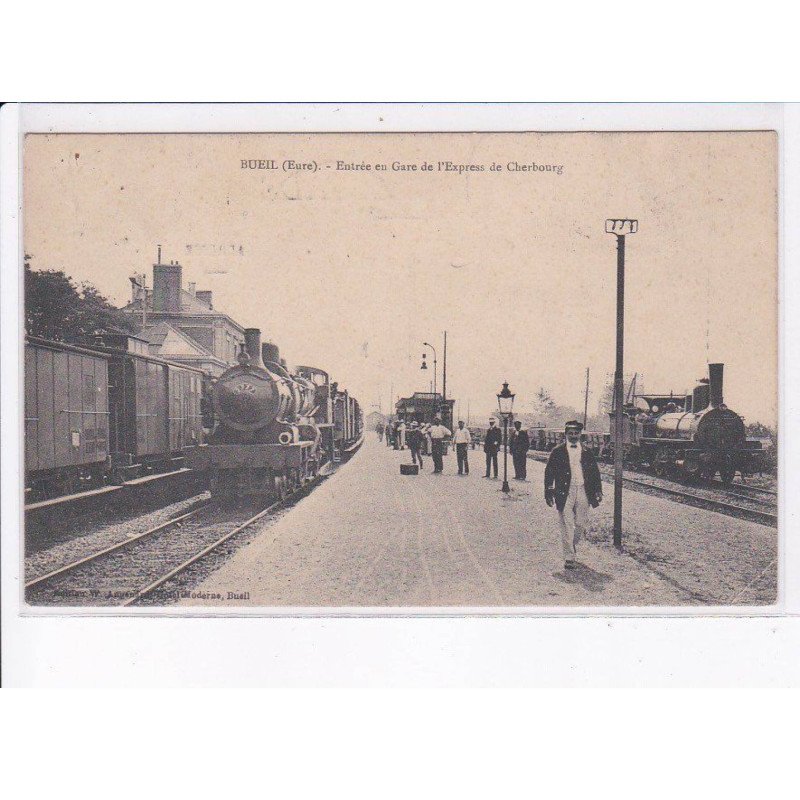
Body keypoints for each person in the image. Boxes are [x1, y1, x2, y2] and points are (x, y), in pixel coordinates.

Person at [544, 420, 603, 569]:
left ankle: (572, 545)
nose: (574, 436)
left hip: (583, 489)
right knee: (567, 524)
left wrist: (598, 490)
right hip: (564, 491)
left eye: (576, 433)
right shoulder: (557, 451)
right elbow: (549, 471)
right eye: (570, 433)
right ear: (566, 434)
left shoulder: (587, 451)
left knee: (580, 524)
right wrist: (549, 490)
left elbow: (595, 472)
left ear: (580, 434)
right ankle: (569, 557)